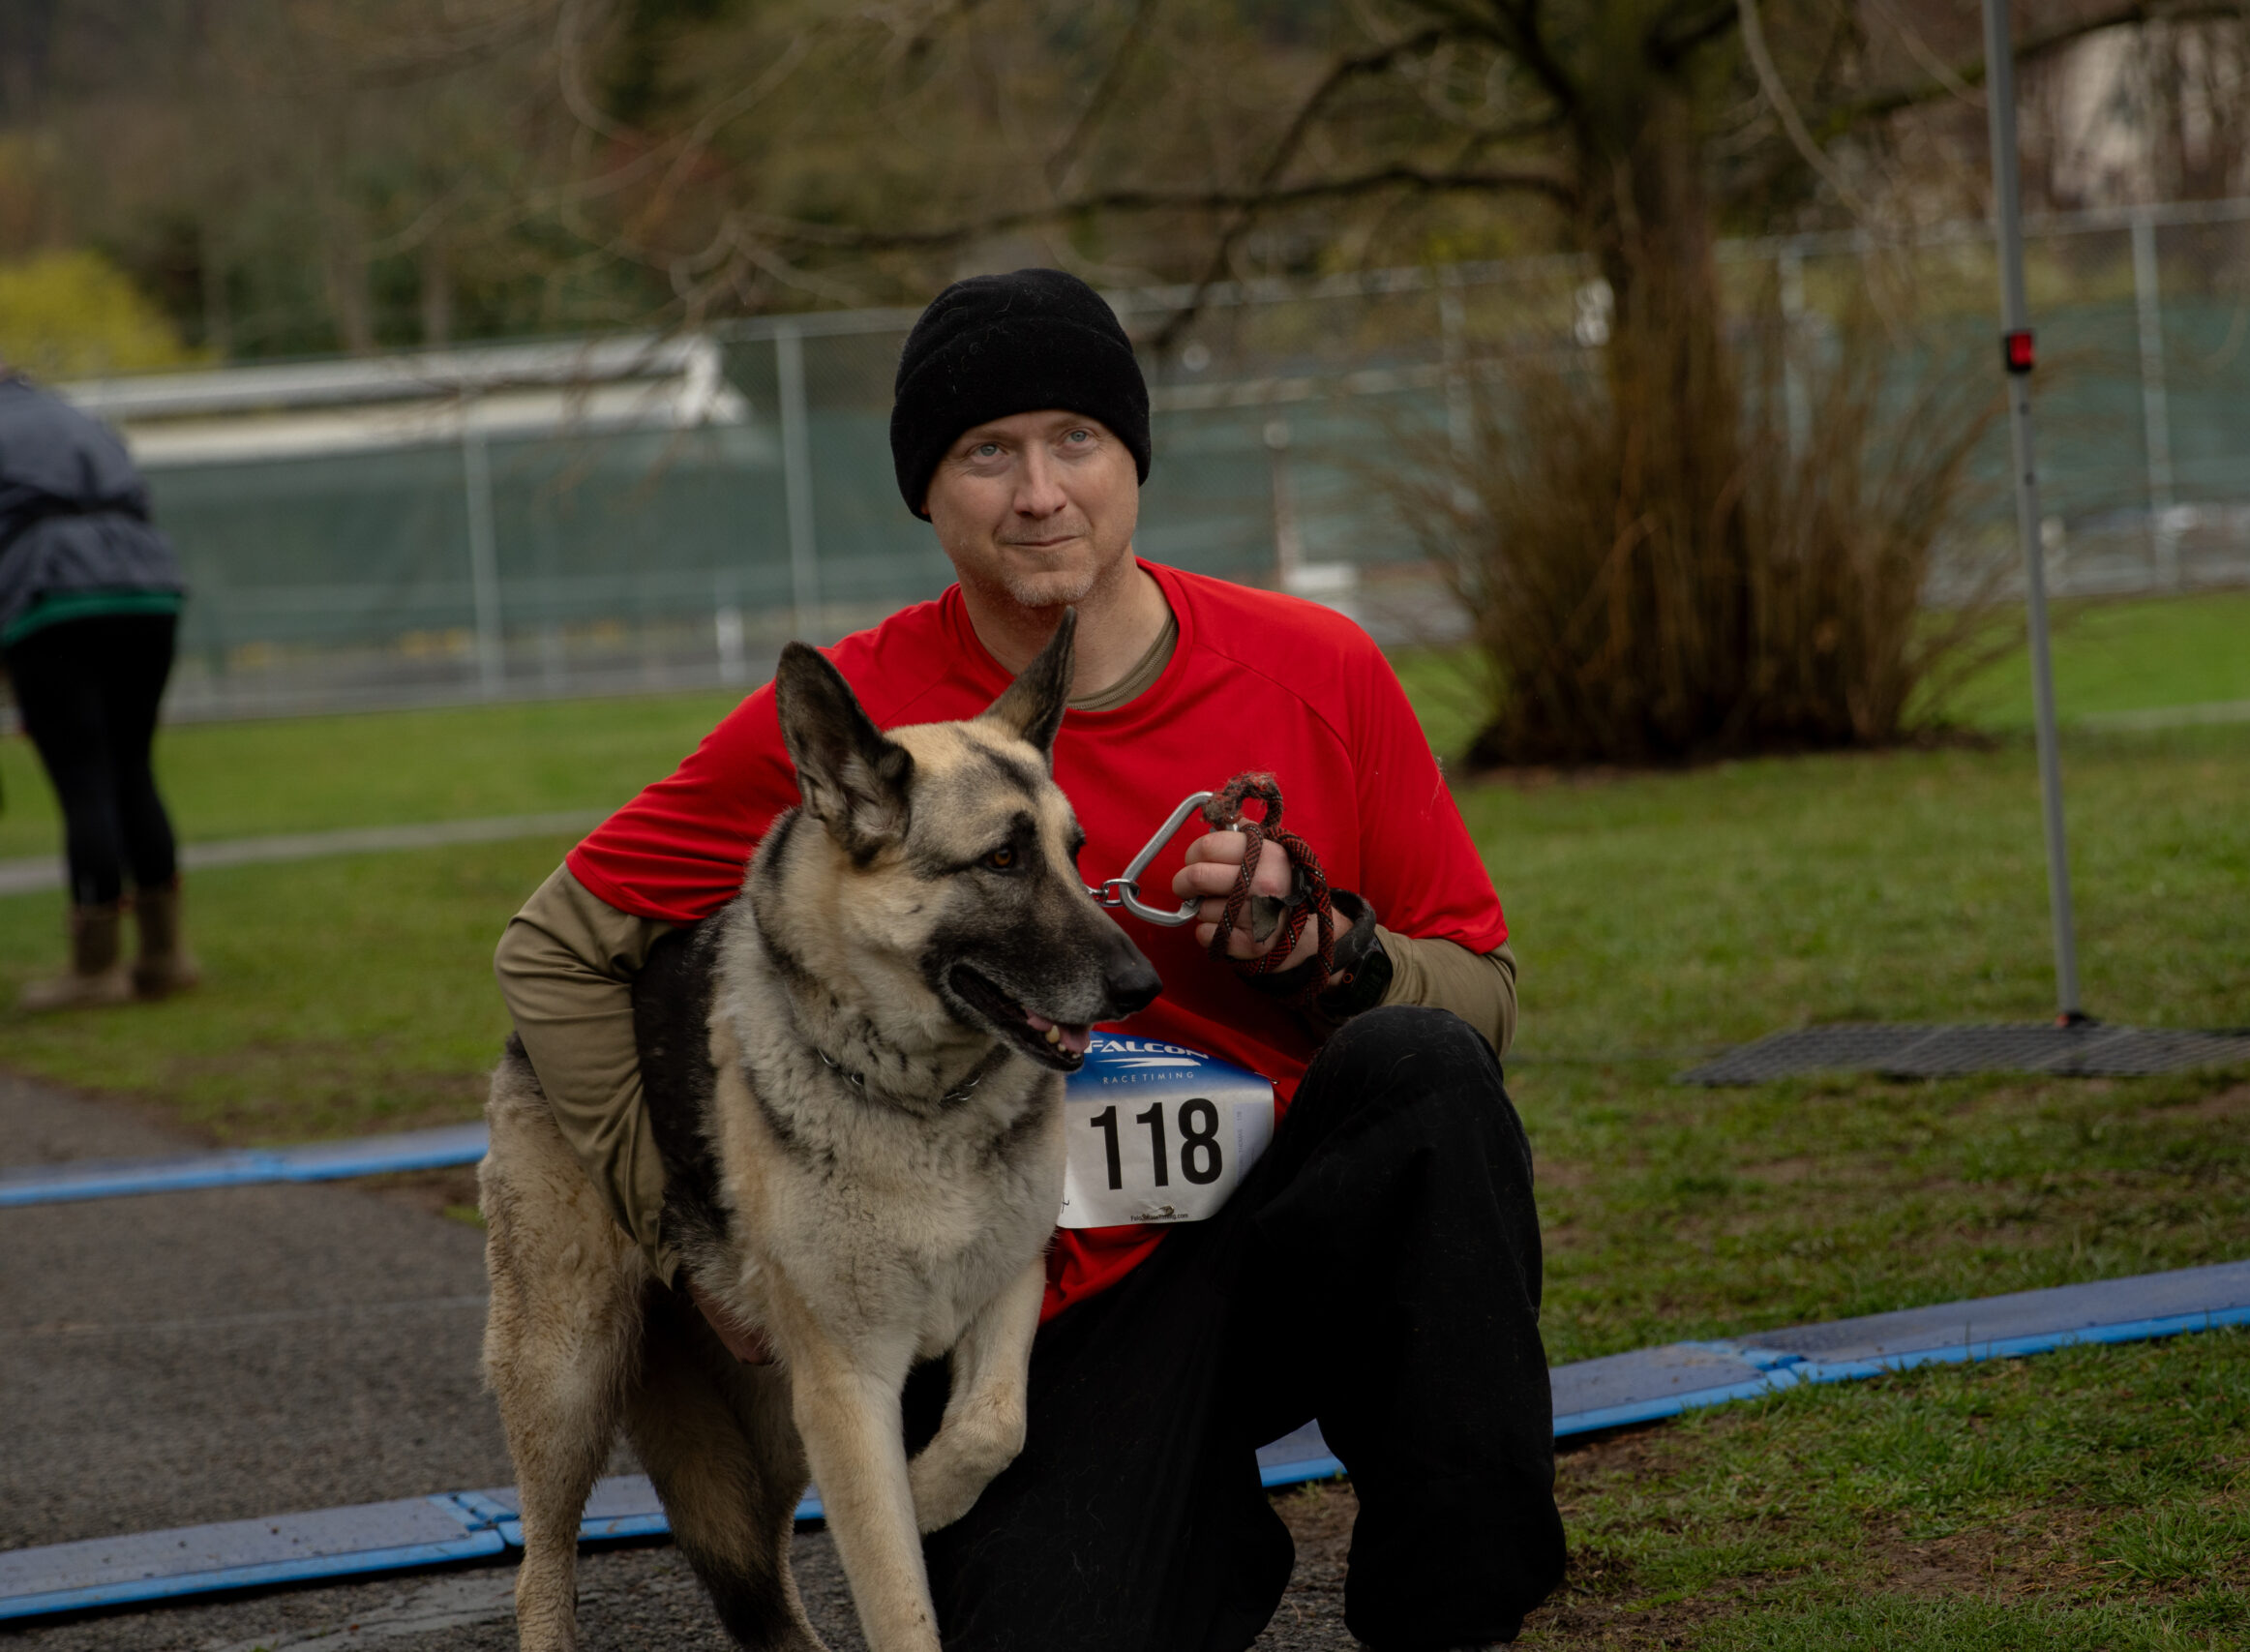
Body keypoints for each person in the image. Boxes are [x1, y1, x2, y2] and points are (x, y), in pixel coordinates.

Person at [494, 268, 1565, 1650]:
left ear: (1133, 460)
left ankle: (1452, 1614)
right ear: (927, 495)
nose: (1041, 492)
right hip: (1032, 1314)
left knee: (1422, 1070)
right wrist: (682, 1234)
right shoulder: (851, 729)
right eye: (986, 452)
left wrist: (1329, 950)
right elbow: (554, 947)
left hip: (1284, 1230)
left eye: (1077, 439)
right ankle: (1182, 1525)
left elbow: (1484, 1001)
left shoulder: (1318, 666)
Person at [0, 365, 197, 1012]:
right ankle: (165, 954)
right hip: (148, 587)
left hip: (53, 592)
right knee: (132, 767)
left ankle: (96, 967)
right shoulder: (75, 417)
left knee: (83, 779)